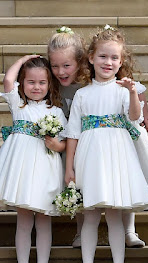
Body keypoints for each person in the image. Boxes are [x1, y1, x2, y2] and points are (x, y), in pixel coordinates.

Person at [64, 26, 148, 263]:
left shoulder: (125, 90)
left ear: (121, 62)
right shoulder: (83, 94)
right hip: (90, 156)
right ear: (91, 58)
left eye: (114, 58)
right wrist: (69, 167)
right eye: (103, 56)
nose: (108, 62)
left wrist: (133, 92)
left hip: (117, 156)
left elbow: (135, 117)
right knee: (90, 216)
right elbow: (73, 133)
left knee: (114, 214)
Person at [0, 55, 67, 263]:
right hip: (23, 169)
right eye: (31, 82)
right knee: (24, 220)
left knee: (44, 220)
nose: (36, 87)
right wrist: (24, 59)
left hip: (46, 169)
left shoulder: (56, 111)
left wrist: (56, 144)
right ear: (23, 83)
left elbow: (65, 142)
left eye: (42, 83)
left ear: (50, 85)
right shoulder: (19, 105)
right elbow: (8, 80)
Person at [48, 26, 90, 248]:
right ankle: (81, 231)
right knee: (75, 185)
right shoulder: (50, 87)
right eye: (54, 66)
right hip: (68, 146)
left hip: (91, 142)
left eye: (66, 65)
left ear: (80, 62)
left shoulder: (88, 85)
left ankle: (128, 229)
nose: (60, 71)